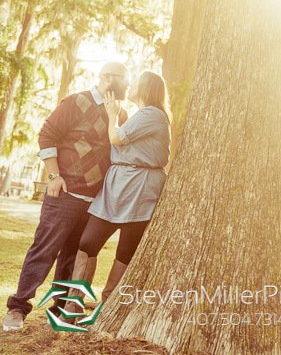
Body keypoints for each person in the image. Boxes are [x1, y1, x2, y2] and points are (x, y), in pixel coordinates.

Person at [2, 61, 130, 331]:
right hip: (65, 194)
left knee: (73, 257)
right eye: (124, 81)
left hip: (96, 203)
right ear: (107, 77)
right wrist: (53, 175)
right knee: (44, 250)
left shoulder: (121, 113)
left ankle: (59, 311)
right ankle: (18, 307)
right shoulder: (75, 102)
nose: (128, 86)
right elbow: (47, 135)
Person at [64, 69, 171, 308]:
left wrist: (112, 115)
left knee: (125, 251)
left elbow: (116, 139)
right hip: (116, 184)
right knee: (88, 243)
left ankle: (109, 305)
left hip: (140, 186)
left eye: (135, 83)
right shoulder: (139, 115)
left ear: (146, 88)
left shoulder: (153, 114)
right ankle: (73, 304)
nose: (129, 86)